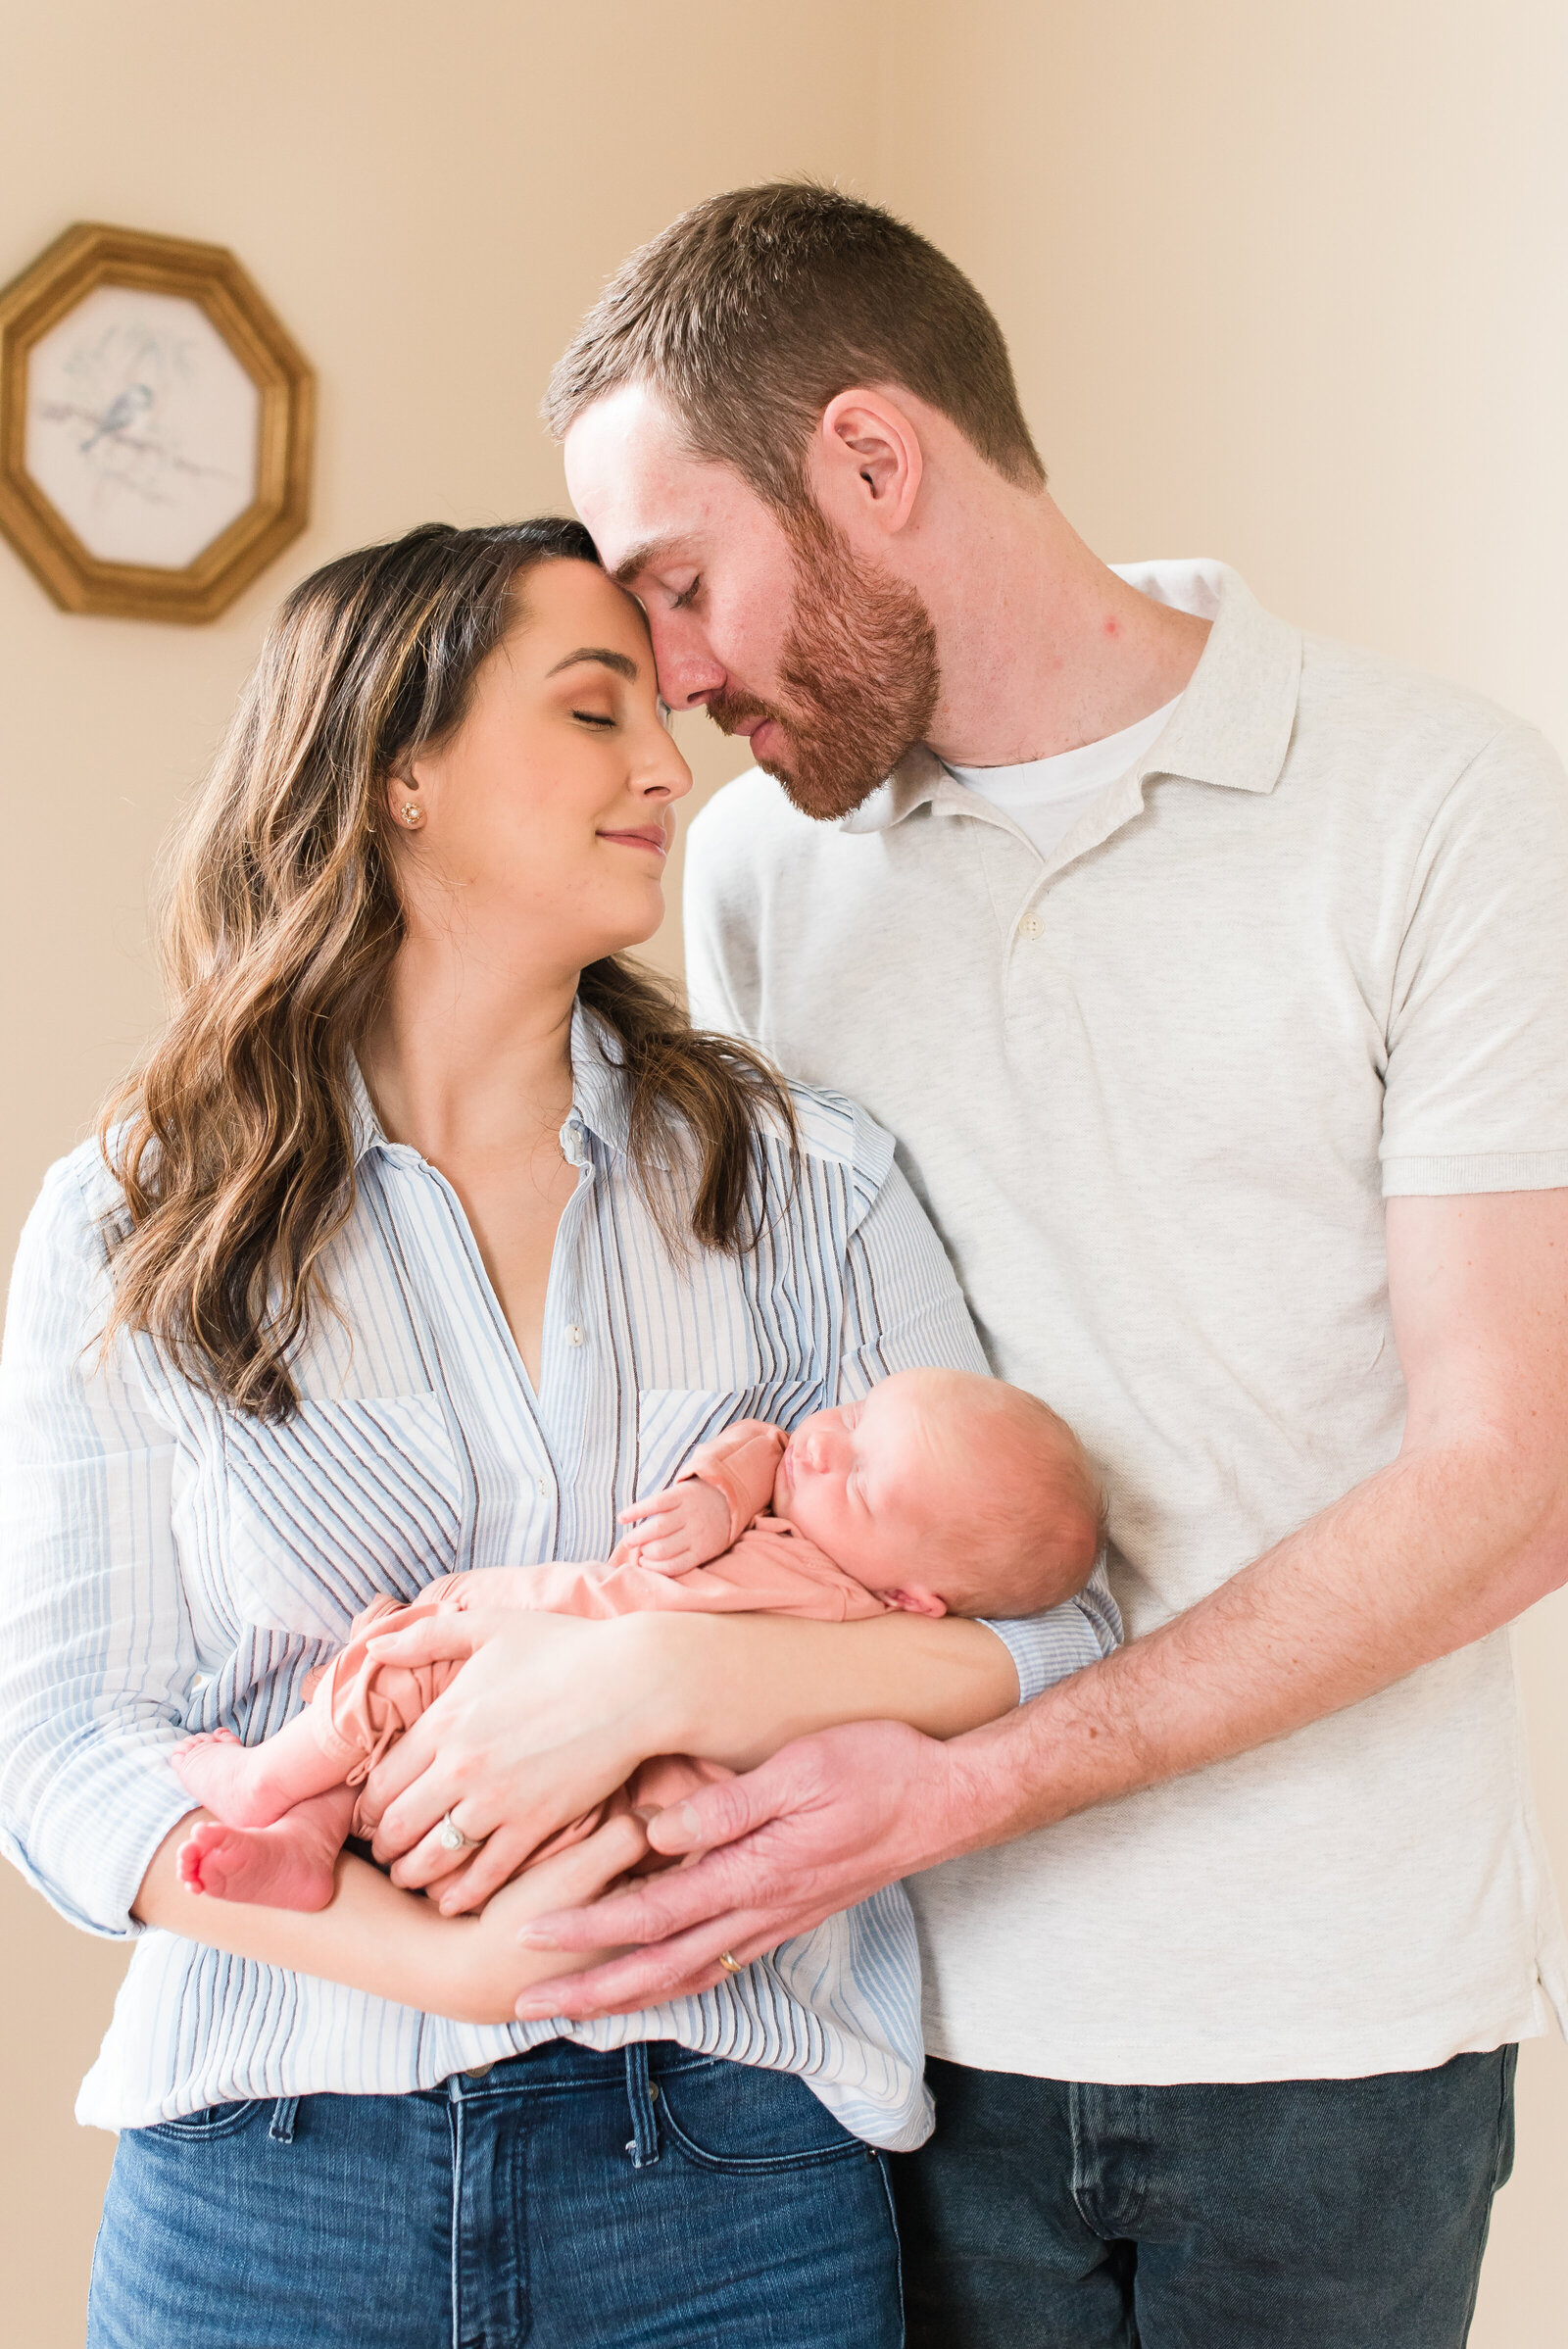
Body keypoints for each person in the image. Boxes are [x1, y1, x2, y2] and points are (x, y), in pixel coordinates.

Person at [491, 183, 1568, 2346]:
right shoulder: (761, 877)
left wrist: (967, 1782)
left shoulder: (1436, 804)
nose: (676, 685)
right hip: (903, 2017)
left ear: (874, 462)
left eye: (685, 585)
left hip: (1330, 2025)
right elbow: (781, 1390)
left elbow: (1509, 1476)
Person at [0, 516, 1118, 2349]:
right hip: (270, 2173)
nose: (667, 767)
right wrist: (440, 1959)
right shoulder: (136, 1216)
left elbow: (1045, 1634)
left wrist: (665, 1677)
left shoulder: (808, 1181)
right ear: (399, 774)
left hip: (731, 2181)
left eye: (656, 720)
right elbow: (59, 1754)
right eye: (591, 713)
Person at [169, 1369, 1107, 1912]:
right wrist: (713, 1497)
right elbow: (763, 1446)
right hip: (541, 1636)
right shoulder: (777, 1496)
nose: (824, 1444)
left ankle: (273, 1784)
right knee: (401, 1665)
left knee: (408, 1664)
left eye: (860, 1478)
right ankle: (297, 1819)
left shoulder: (867, 1627)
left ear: (916, 1594)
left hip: (597, 1774)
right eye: (856, 1415)